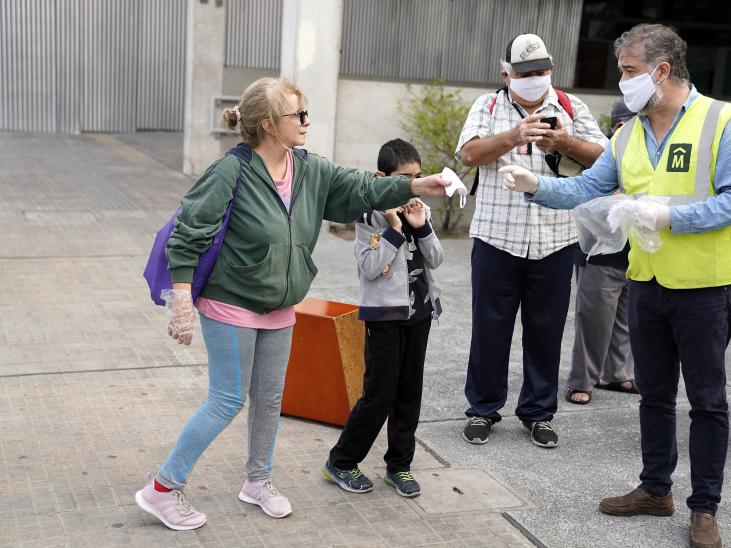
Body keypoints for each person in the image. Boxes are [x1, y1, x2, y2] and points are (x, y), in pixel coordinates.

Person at [134, 78, 448, 531]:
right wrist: (181, 300)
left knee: (269, 399)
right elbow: (187, 235)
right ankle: (163, 488)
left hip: (280, 306)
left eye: (305, 113)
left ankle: (257, 481)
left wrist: (419, 184)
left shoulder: (308, 169)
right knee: (226, 400)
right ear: (268, 124)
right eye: (297, 115)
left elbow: (361, 187)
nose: (306, 121)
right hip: (231, 304)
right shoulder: (231, 171)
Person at [499, 24, 731, 548]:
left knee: (706, 401)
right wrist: (536, 188)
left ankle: (704, 509)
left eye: (629, 71)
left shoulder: (722, 122)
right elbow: (588, 188)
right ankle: (654, 489)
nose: (623, 83)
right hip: (647, 282)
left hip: (707, 287)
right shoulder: (629, 132)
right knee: (654, 396)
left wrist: (668, 216)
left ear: (661, 72)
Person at [455, 33, 608, 447]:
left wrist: (564, 141)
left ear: (551, 70)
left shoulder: (572, 107)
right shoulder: (487, 106)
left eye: (540, 72)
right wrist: (513, 135)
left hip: (556, 240)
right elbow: (468, 154)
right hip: (496, 238)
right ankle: (483, 409)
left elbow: (607, 159)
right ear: (506, 74)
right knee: (490, 328)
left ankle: (539, 414)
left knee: (546, 330)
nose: (532, 80)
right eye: (523, 74)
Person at [323, 139, 444, 498]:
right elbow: (371, 268)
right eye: (406, 178)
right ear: (382, 178)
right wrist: (392, 230)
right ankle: (342, 461)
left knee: (410, 392)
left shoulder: (420, 211)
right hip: (384, 318)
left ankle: (400, 466)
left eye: (418, 177)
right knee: (379, 393)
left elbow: (436, 259)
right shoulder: (368, 219)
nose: (414, 185)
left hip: (419, 312)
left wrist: (420, 227)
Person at [565, 100, 637, 405]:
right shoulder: (603, 156)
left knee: (626, 320)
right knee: (594, 320)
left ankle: (617, 374)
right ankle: (581, 380)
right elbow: (584, 194)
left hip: (637, 254)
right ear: (618, 126)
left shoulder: (652, 157)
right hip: (601, 255)